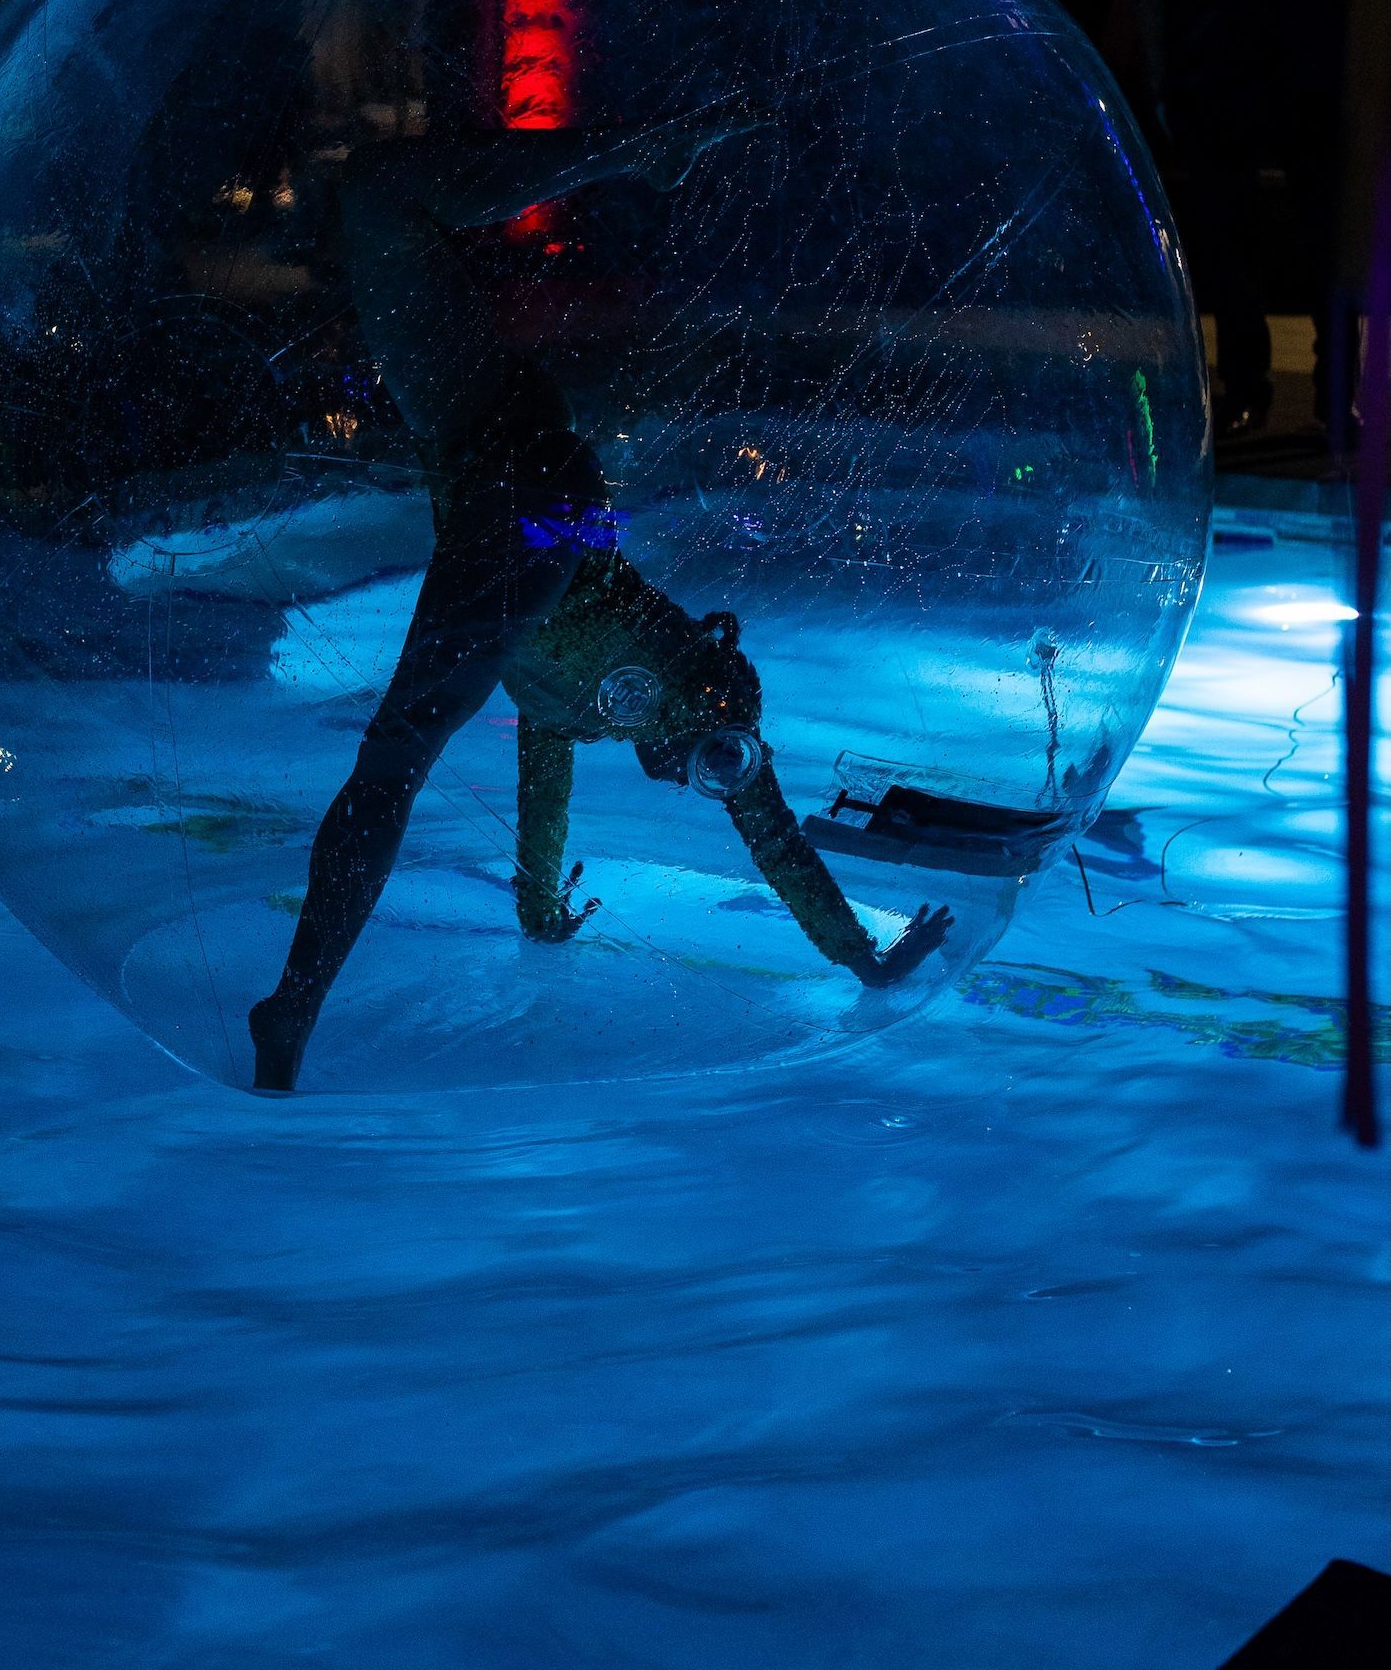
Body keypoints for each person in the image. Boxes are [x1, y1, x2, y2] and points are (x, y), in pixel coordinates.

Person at [248, 113, 952, 1091]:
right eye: (707, 765)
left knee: (381, 192)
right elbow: (765, 823)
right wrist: (856, 951)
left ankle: (294, 1004)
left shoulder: (564, 719)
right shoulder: (700, 700)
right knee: (395, 760)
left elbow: (548, 815)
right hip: (535, 504)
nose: (694, 774)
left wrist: (542, 915)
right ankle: (291, 1003)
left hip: (493, 451)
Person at [1136, 0, 1359, 437]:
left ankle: (1293, 387)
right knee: (1236, 244)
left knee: (1311, 238)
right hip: (1236, 77)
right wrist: (1164, 79)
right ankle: (1261, 385)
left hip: (1290, 77)